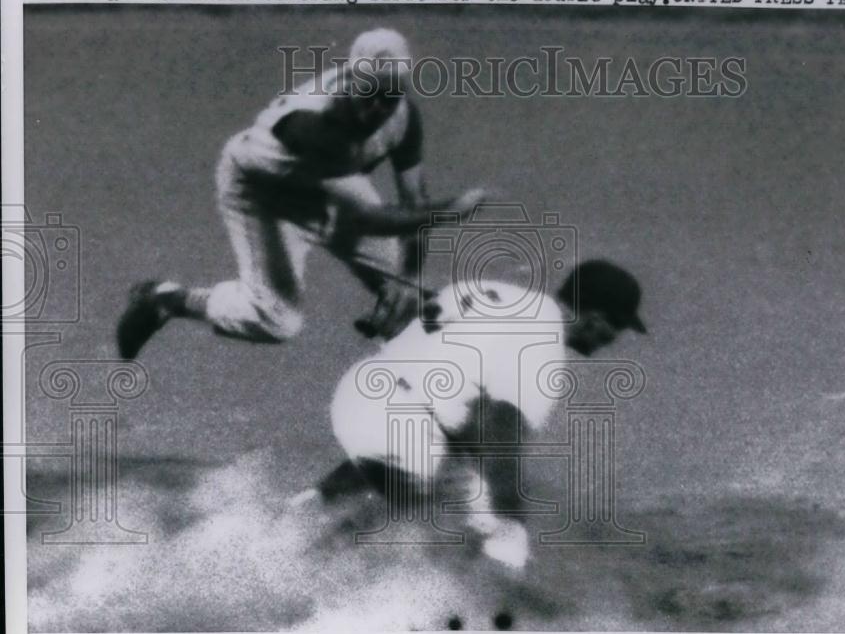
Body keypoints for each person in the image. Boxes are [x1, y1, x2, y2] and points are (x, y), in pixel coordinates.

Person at [116, 29, 486, 358]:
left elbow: (413, 204)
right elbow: (365, 221)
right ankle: (165, 299)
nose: (376, 109)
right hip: (261, 191)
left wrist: (407, 280)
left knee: (408, 295)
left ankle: (418, 394)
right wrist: (452, 210)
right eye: (368, 92)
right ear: (350, 78)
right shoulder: (314, 124)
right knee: (276, 320)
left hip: (330, 183)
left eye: (388, 97)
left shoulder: (402, 117)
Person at [318, 259, 647, 570]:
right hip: (405, 419)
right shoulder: (544, 346)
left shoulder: (491, 291)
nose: (614, 339)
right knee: (484, 525)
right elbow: (503, 434)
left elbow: (413, 320)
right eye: (616, 326)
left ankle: (297, 520)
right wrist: (511, 523)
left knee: (440, 467)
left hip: (364, 393)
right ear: (595, 318)